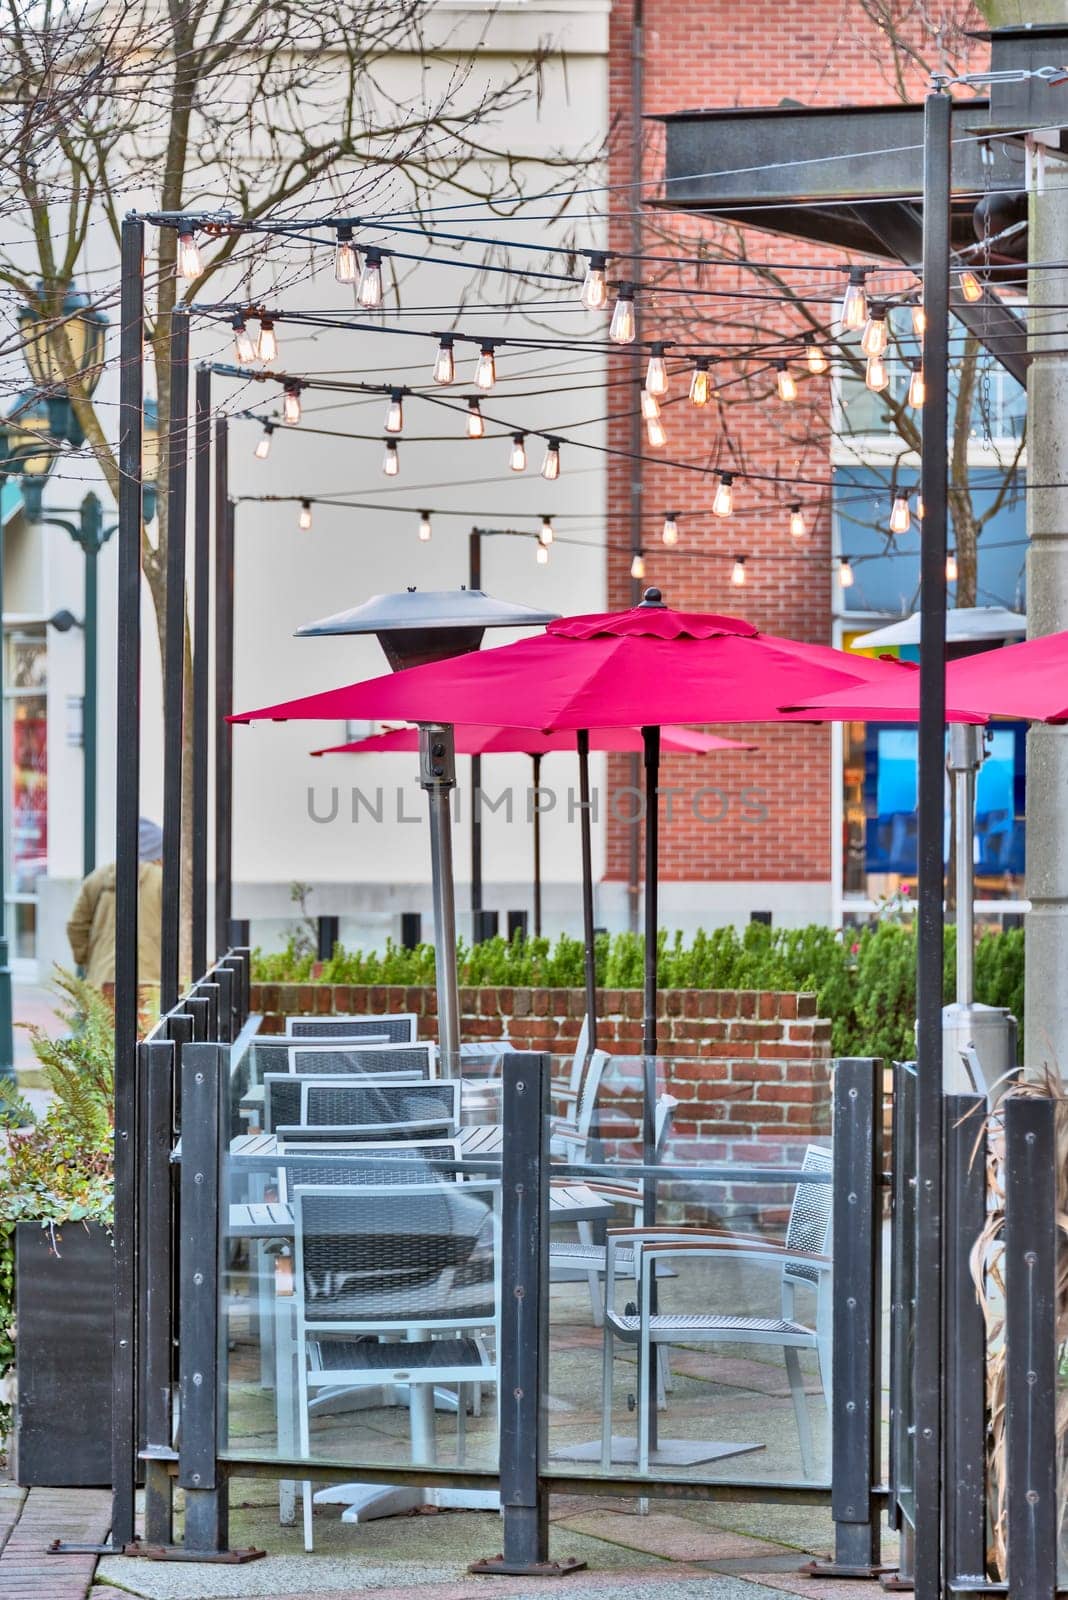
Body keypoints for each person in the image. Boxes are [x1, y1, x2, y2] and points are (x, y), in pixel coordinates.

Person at [67, 817, 163, 988]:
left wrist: (89, 961)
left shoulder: (97, 878)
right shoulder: (162, 880)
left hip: (101, 979)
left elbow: (76, 926)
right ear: (156, 853)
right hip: (151, 981)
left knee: (105, 1016)